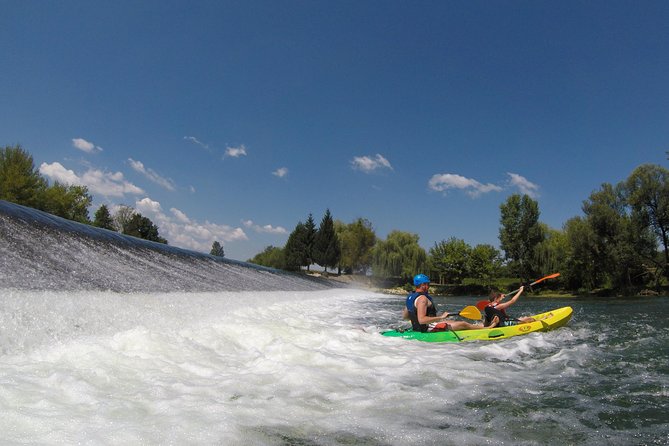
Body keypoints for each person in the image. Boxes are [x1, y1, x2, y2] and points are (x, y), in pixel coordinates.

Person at [402, 274, 482, 332]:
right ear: (423, 285)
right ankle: (488, 328)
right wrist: (441, 317)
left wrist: (416, 321)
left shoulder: (410, 297)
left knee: (453, 322)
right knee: (463, 324)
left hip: (419, 328)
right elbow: (422, 320)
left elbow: (406, 316)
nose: (428, 286)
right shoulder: (422, 299)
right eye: (427, 284)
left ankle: (481, 326)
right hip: (427, 329)